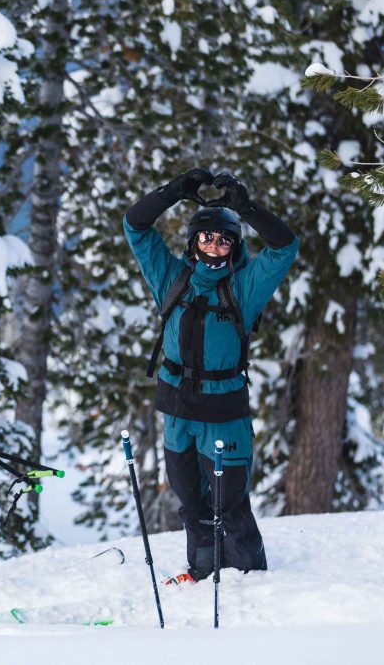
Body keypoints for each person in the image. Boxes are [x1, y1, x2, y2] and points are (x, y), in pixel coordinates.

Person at [123, 167, 298, 582]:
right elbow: (135, 225)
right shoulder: (172, 278)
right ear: (194, 240)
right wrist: (173, 191)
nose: (214, 245)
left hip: (224, 413)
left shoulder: (243, 288)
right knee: (191, 502)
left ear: (233, 247)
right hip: (178, 411)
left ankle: (249, 580)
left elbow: (284, 247)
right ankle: (203, 573)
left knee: (229, 504)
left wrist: (246, 208)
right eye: (206, 236)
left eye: (223, 239)